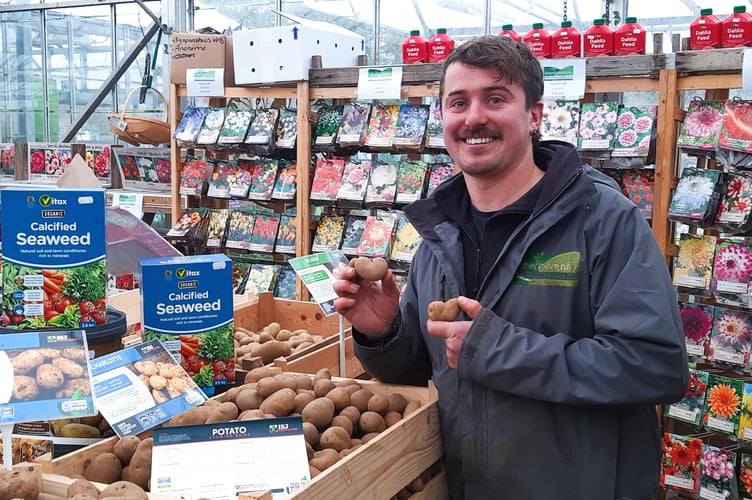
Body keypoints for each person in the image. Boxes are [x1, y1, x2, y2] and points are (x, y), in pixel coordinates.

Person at [333, 35, 688, 499]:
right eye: (457, 102)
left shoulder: (602, 219)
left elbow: (656, 366)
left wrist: (500, 352)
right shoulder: (440, 231)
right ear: (442, 117)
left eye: (495, 98)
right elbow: (422, 369)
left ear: (534, 115)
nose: (474, 117)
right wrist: (383, 333)